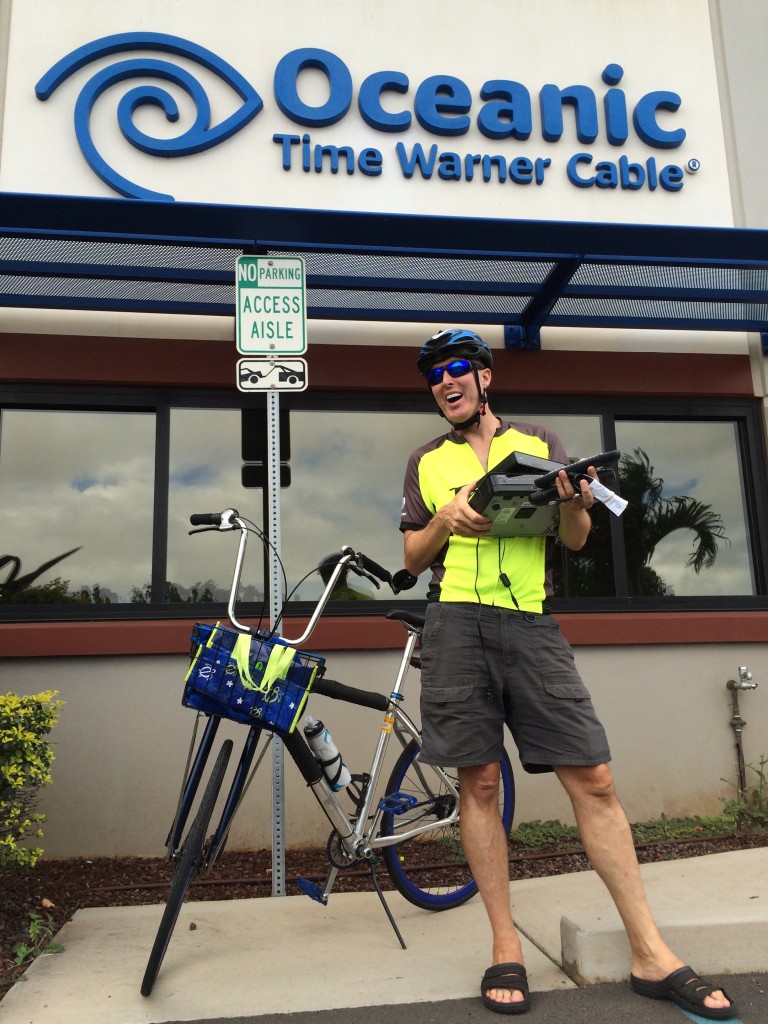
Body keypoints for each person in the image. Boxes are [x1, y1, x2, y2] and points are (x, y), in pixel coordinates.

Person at [399, 328, 736, 1019]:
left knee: (595, 776)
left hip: (531, 620)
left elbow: (576, 539)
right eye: (435, 375)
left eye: (459, 368)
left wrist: (577, 498)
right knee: (481, 780)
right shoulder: (425, 462)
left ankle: (650, 951)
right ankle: (506, 946)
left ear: (486, 377)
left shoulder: (540, 441)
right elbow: (409, 558)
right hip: (456, 621)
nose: (446, 381)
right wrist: (445, 519)